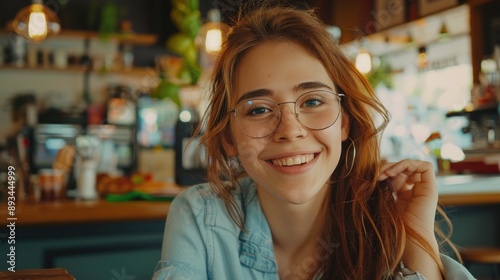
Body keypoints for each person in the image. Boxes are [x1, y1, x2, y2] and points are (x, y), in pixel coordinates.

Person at [153, 3, 475, 279]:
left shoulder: (385, 221)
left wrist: (417, 237)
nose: (290, 130)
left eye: (312, 102)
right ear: (229, 139)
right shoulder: (200, 214)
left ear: (344, 122)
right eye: (259, 109)